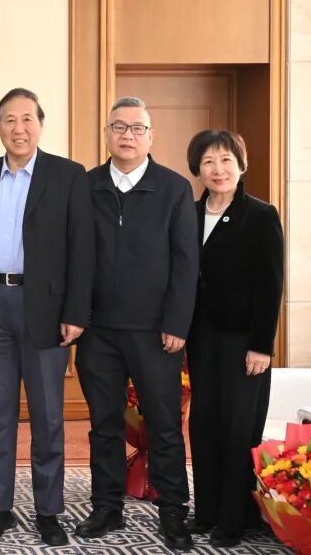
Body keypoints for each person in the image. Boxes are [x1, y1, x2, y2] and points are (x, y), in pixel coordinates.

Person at [0, 88, 93, 547]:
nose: (18, 129)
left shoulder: (68, 175)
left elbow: (83, 248)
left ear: (40, 123)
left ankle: (48, 510)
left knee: (48, 416)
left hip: (46, 309)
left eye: (27, 119)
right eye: (9, 121)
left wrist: (75, 311)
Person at [77, 97, 198, 549]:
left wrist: (177, 323)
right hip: (98, 331)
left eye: (137, 128)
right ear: (106, 134)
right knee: (103, 424)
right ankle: (106, 508)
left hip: (155, 332)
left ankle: (173, 512)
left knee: (164, 424)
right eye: (119, 127)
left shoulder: (173, 188)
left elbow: (186, 264)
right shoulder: (85, 185)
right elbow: (71, 256)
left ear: (150, 137)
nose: (127, 135)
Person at [185, 130, 283, 548]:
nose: (218, 169)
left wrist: (262, 345)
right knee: (204, 424)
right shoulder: (189, 214)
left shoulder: (260, 215)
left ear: (241, 165)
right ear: (197, 169)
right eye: (208, 161)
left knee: (239, 428)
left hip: (245, 343)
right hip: (201, 339)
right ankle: (207, 511)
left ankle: (235, 519)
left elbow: (271, 285)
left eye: (226, 160)